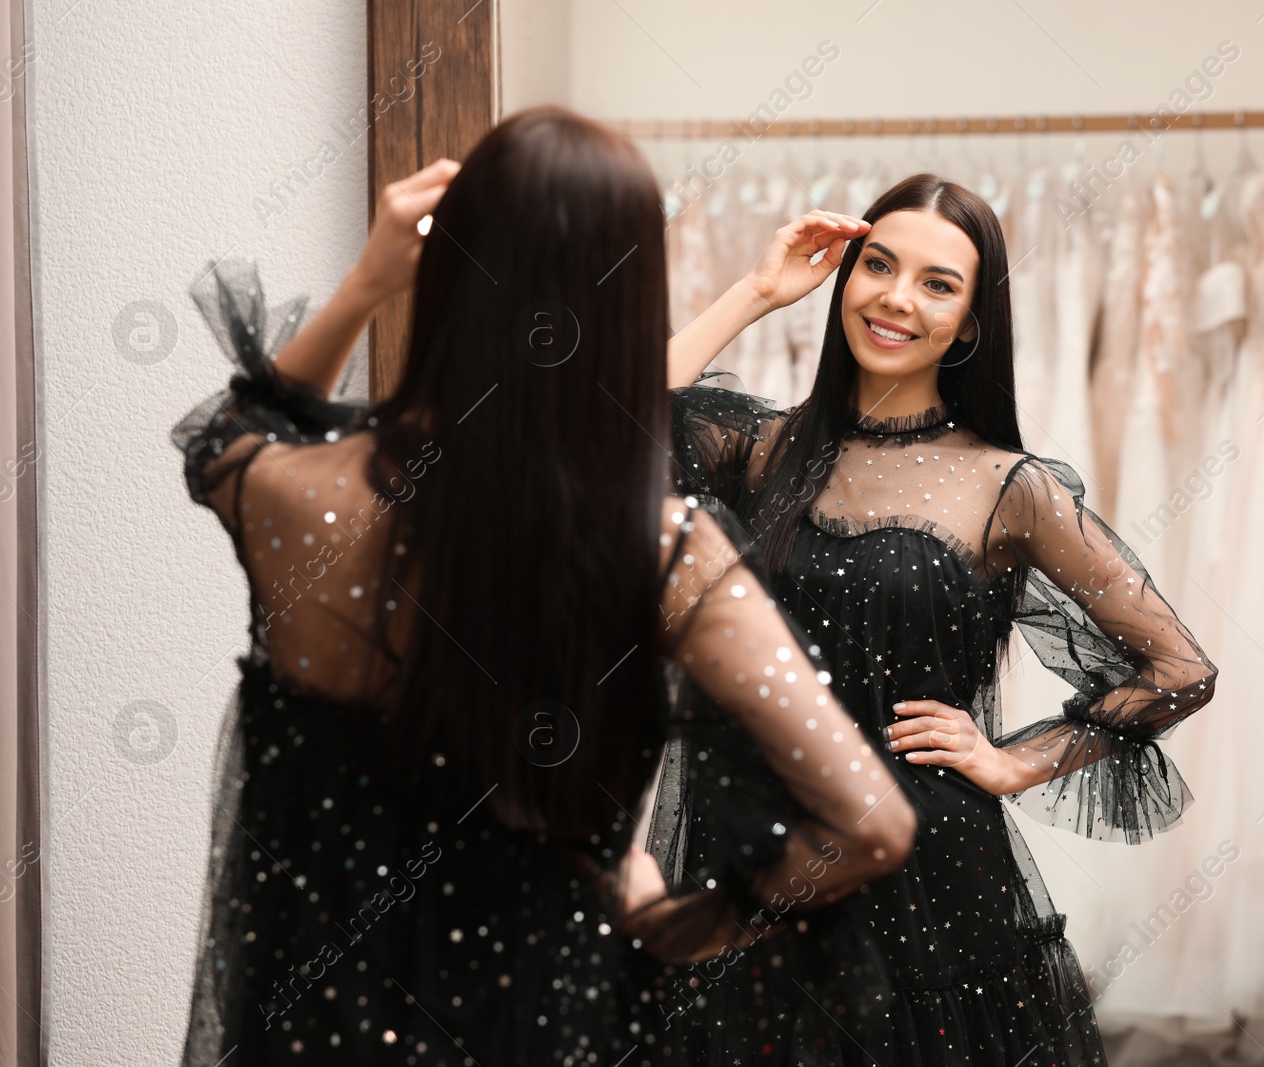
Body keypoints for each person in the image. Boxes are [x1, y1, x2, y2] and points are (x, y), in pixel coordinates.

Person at [171, 106, 915, 1067]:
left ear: (443, 275)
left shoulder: (290, 499)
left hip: (321, 1030)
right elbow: (870, 822)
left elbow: (235, 428)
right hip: (549, 1029)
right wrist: (674, 922)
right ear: (626, 302)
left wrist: (368, 281)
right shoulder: (654, 549)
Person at [655, 173, 1221, 1065]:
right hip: (754, 851)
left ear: (972, 322)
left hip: (929, 875)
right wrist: (757, 291)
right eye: (877, 266)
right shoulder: (759, 450)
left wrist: (1013, 761)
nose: (895, 298)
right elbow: (607, 424)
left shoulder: (1009, 487)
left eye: (937, 283)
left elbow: (1177, 668)